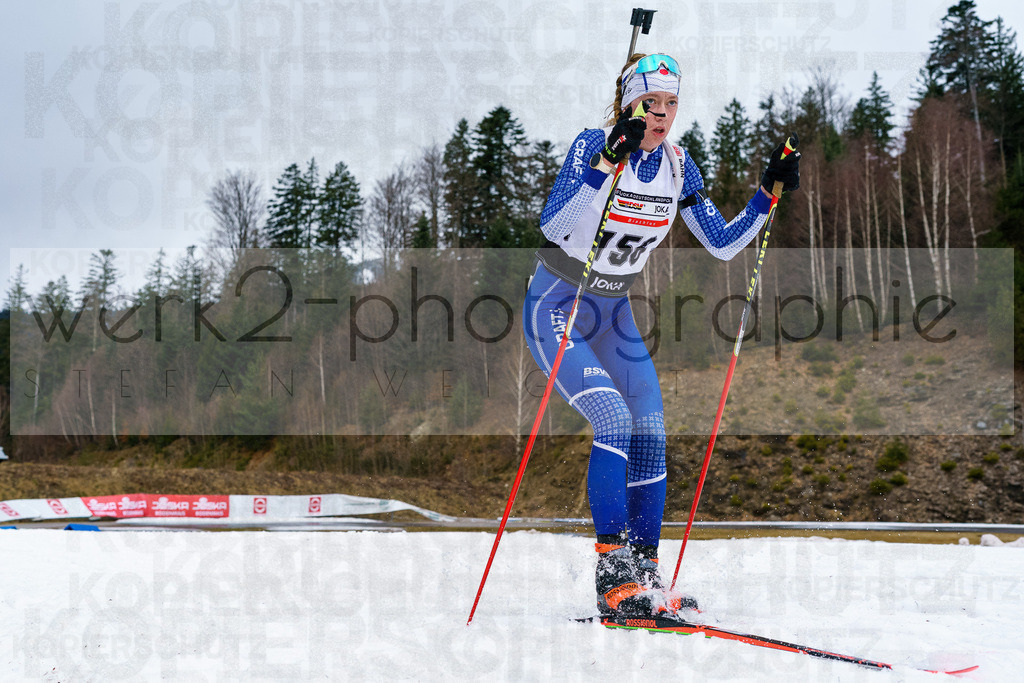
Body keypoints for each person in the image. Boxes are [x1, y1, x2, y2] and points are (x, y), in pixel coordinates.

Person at [522, 53, 799, 618]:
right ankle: (613, 574)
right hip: (559, 306)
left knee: (648, 419)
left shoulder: (678, 164)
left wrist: (766, 194)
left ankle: (646, 571)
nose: (664, 114)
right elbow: (552, 226)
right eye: (653, 103)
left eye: (673, 104)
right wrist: (604, 163)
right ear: (629, 103)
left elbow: (720, 242)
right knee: (612, 418)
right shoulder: (591, 145)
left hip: (613, 313)